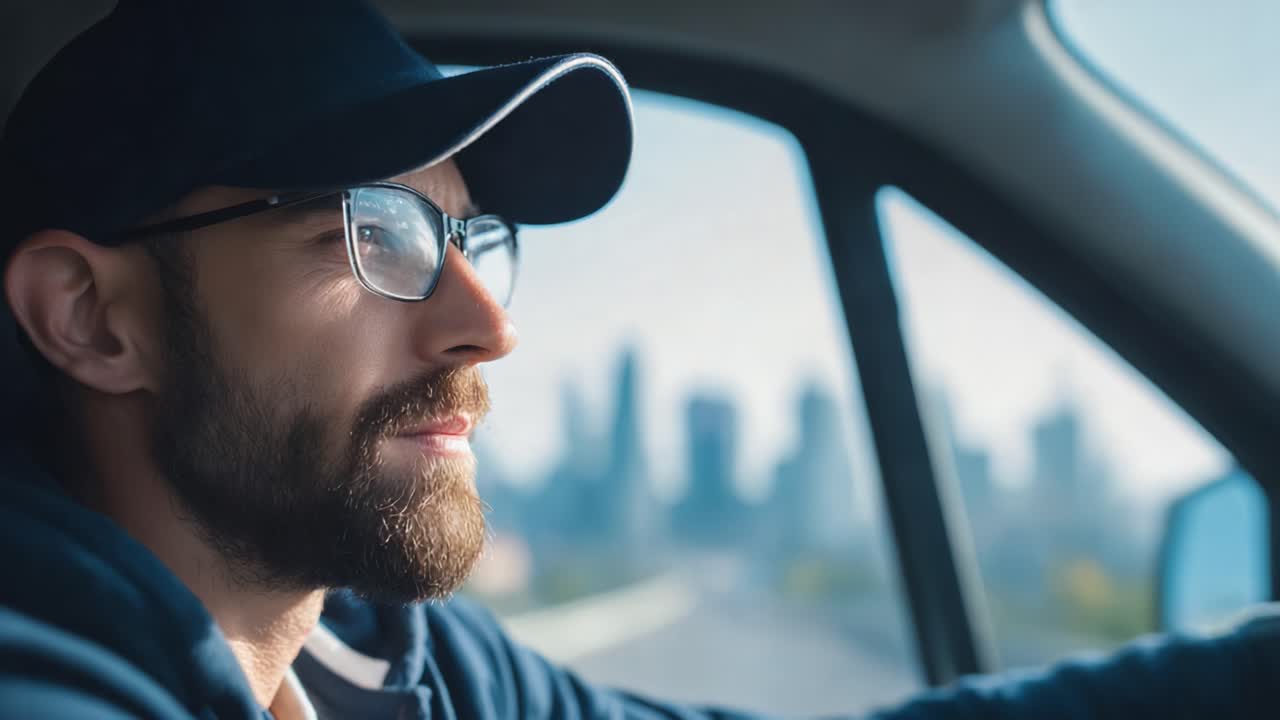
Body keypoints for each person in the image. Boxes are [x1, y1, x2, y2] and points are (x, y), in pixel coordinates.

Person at [0, 1, 1275, 718]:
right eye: (373, 231)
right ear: (91, 318)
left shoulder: (384, 655)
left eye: (470, 238)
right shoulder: (48, 678)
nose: (487, 323)